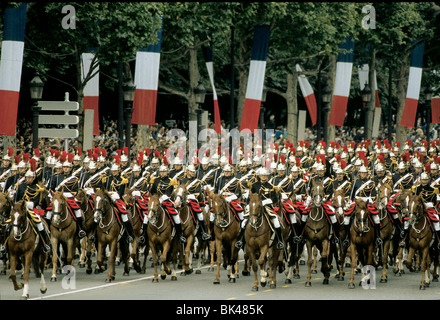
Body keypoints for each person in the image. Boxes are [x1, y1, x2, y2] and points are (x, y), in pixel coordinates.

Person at [236, 168, 284, 250]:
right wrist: (248, 205)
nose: (264, 177)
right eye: (262, 175)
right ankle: (240, 240)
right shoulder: (254, 185)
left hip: (266, 207)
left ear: (267, 176)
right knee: (244, 222)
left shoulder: (271, 187)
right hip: (255, 208)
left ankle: (280, 241)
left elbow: (274, 199)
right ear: (259, 176)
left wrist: (266, 201)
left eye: (265, 175)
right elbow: (249, 197)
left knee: (276, 220)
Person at [149, 165, 186, 244]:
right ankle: (144, 235)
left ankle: (180, 235)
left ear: (167, 172)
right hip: (155, 201)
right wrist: (153, 198)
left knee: (175, 215)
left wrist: (161, 199)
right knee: (147, 216)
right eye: (161, 172)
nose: (162, 173)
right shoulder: (155, 180)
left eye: (164, 172)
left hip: (165, 201)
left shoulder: (170, 181)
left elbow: (168, 193)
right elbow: (152, 191)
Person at [349, 165, 382, 245]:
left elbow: (374, 195)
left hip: (367, 203)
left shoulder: (371, 183)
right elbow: (351, 195)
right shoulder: (354, 183)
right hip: (357, 203)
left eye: (365, 173)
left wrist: (368, 200)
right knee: (347, 218)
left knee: (376, 218)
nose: (363, 174)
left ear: (367, 174)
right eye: (362, 173)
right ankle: (347, 237)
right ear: (359, 173)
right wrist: (351, 201)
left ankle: (378, 237)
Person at [179, 164, 211, 241]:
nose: (193, 173)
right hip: (182, 200)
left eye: (194, 172)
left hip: (192, 200)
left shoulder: (197, 182)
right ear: (187, 172)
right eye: (191, 172)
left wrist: (188, 196)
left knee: (200, 214)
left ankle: (203, 232)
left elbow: (197, 193)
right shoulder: (182, 180)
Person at [213, 164, 244, 241]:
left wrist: (229, 198)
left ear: (231, 172)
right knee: (211, 215)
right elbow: (216, 191)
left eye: (228, 171)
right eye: (225, 171)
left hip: (232, 199)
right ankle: (212, 234)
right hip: (220, 199)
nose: (226, 173)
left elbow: (238, 193)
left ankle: (241, 231)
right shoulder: (219, 179)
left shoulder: (236, 180)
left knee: (241, 214)